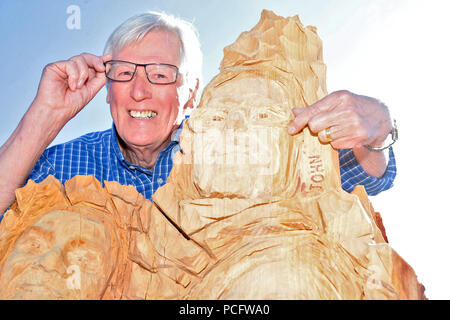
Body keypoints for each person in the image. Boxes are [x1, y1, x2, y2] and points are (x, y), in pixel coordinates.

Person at [0, 11, 396, 217]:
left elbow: (367, 177)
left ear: (191, 95)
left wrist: (377, 127)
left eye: (160, 74)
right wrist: (45, 115)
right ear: (106, 88)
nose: (139, 91)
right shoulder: (61, 166)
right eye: (123, 73)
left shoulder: (239, 145)